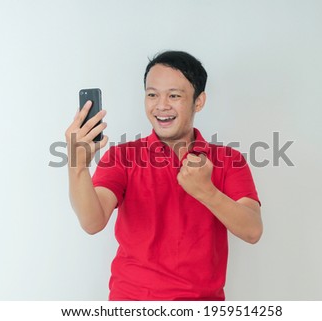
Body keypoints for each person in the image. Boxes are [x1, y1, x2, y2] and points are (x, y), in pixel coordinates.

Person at [65, 51, 262, 300]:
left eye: (174, 95)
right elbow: (92, 222)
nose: (161, 105)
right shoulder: (121, 157)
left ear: (199, 101)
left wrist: (207, 192)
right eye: (152, 94)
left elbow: (253, 230)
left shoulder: (229, 160)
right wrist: (77, 166)